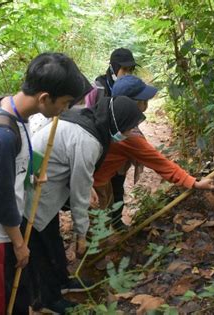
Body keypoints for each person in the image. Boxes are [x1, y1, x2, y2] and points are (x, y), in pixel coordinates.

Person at [0, 52, 90, 315]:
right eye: (66, 103)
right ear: (45, 98)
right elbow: (1, 200)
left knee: (18, 292)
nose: (66, 110)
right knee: (4, 302)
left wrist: (33, 170)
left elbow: (19, 155)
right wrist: (19, 243)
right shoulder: (3, 136)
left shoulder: (12, 107)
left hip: (6, 229)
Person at [26, 95, 145, 314]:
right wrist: (81, 235)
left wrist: (87, 185)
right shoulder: (89, 140)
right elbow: (79, 195)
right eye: (130, 127)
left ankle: (62, 281)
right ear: (117, 121)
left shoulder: (90, 120)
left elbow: (75, 165)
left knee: (52, 241)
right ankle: (46, 299)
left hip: (49, 188)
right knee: (40, 249)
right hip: (36, 194)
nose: (131, 132)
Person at [92, 75, 214, 226]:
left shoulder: (107, 113)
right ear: (134, 104)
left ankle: (108, 231)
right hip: (97, 182)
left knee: (108, 206)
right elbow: (160, 163)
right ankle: (93, 246)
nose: (146, 104)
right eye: (144, 101)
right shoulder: (130, 138)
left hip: (101, 176)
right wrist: (194, 183)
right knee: (97, 220)